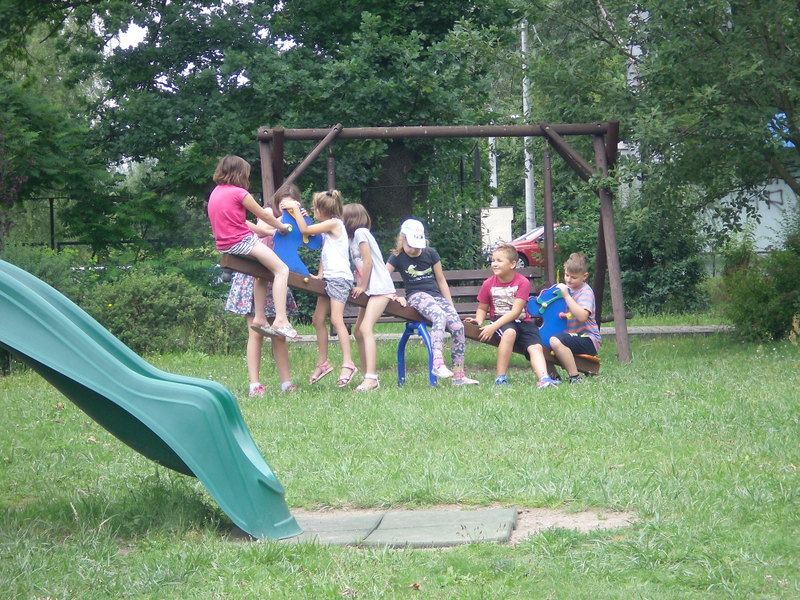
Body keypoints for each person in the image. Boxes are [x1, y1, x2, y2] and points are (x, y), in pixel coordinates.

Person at [224, 185, 304, 396]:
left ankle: (286, 383)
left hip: (276, 280)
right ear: (277, 203)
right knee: (255, 332)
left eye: (291, 204)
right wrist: (280, 225)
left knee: (279, 335)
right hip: (256, 276)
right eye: (284, 203)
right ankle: (255, 384)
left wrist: (297, 217)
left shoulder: (294, 220)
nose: (286, 207)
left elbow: (302, 238)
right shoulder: (268, 214)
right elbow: (261, 230)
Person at [207, 155, 297, 339]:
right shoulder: (240, 193)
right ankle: (281, 319)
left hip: (224, 244)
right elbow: (264, 215)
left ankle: (259, 319)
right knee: (282, 270)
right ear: (240, 173)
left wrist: (269, 231)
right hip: (242, 242)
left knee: (261, 273)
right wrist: (282, 227)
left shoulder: (216, 192)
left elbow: (242, 222)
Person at [386, 219, 479, 386]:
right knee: (439, 315)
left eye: (418, 246)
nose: (415, 250)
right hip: (416, 296)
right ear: (402, 239)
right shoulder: (397, 257)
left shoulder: (431, 253)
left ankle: (458, 375)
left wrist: (450, 305)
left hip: (436, 296)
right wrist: (394, 295)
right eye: (411, 245)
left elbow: (441, 280)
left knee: (458, 326)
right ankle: (438, 362)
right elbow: (383, 278)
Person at [281, 190, 358, 387]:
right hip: (328, 279)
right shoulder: (328, 227)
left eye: (315, 208)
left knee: (336, 320)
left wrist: (295, 208)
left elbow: (305, 230)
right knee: (317, 319)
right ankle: (323, 363)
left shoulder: (335, 223)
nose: (313, 210)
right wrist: (320, 274)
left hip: (339, 279)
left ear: (323, 210)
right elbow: (326, 252)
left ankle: (348, 363)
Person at [465, 244, 559, 388]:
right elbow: (482, 308)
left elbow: (516, 312)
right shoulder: (488, 284)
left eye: (499, 260)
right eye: (493, 260)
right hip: (501, 320)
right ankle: (500, 378)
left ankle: (544, 378)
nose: (494, 264)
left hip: (523, 321)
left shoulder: (522, 282)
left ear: (512, 264)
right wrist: (478, 320)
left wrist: (492, 328)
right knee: (509, 332)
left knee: (535, 347)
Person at [342, 203, 396, 392]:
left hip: (379, 287)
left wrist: (362, 286)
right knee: (358, 332)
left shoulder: (361, 233)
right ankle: (366, 375)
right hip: (371, 290)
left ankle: (372, 378)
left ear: (350, 219)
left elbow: (368, 261)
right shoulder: (352, 238)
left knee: (365, 328)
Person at [547, 252, 601, 384]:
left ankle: (575, 377)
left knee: (555, 340)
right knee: (537, 341)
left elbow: (582, 316)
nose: (569, 280)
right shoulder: (565, 290)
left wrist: (566, 296)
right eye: (567, 275)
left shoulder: (585, 291)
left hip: (588, 339)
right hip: (568, 336)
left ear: (584, 276)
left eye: (574, 277)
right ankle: (552, 376)